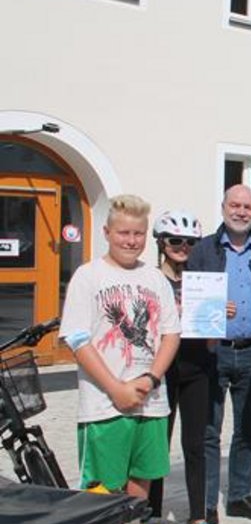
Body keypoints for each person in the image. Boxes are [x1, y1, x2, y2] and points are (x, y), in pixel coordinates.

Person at [60, 195, 181, 503]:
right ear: (107, 233)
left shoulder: (155, 278)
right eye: (123, 233)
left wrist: (152, 378)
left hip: (150, 401)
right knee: (103, 489)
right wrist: (115, 388)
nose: (131, 240)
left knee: (142, 479)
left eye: (138, 233)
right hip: (104, 405)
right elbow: (77, 339)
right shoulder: (88, 276)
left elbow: (170, 333)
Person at [188, 185, 251, 524]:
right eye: (235, 205)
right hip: (214, 353)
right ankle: (207, 502)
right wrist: (210, 309)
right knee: (209, 431)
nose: (241, 212)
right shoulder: (203, 251)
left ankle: (240, 495)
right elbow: (191, 297)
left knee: (247, 427)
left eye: (248, 207)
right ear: (223, 207)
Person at [147, 211, 235, 524]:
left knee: (197, 446)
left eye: (190, 242)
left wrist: (218, 318)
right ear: (161, 243)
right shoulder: (150, 281)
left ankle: (198, 521)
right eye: (174, 241)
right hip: (160, 371)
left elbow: (211, 341)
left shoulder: (202, 282)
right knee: (157, 450)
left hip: (199, 367)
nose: (182, 247)